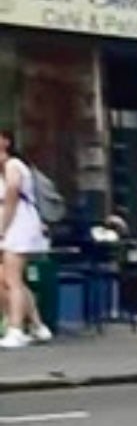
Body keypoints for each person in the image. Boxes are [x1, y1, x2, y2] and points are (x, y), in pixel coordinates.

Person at [0, 127, 53, 348]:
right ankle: (38, 326)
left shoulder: (14, 165)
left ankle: (16, 329)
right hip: (10, 225)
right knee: (8, 279)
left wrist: (2, 228)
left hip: (18, 226)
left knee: (12, 279)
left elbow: (12, 195)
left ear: (5, 142)